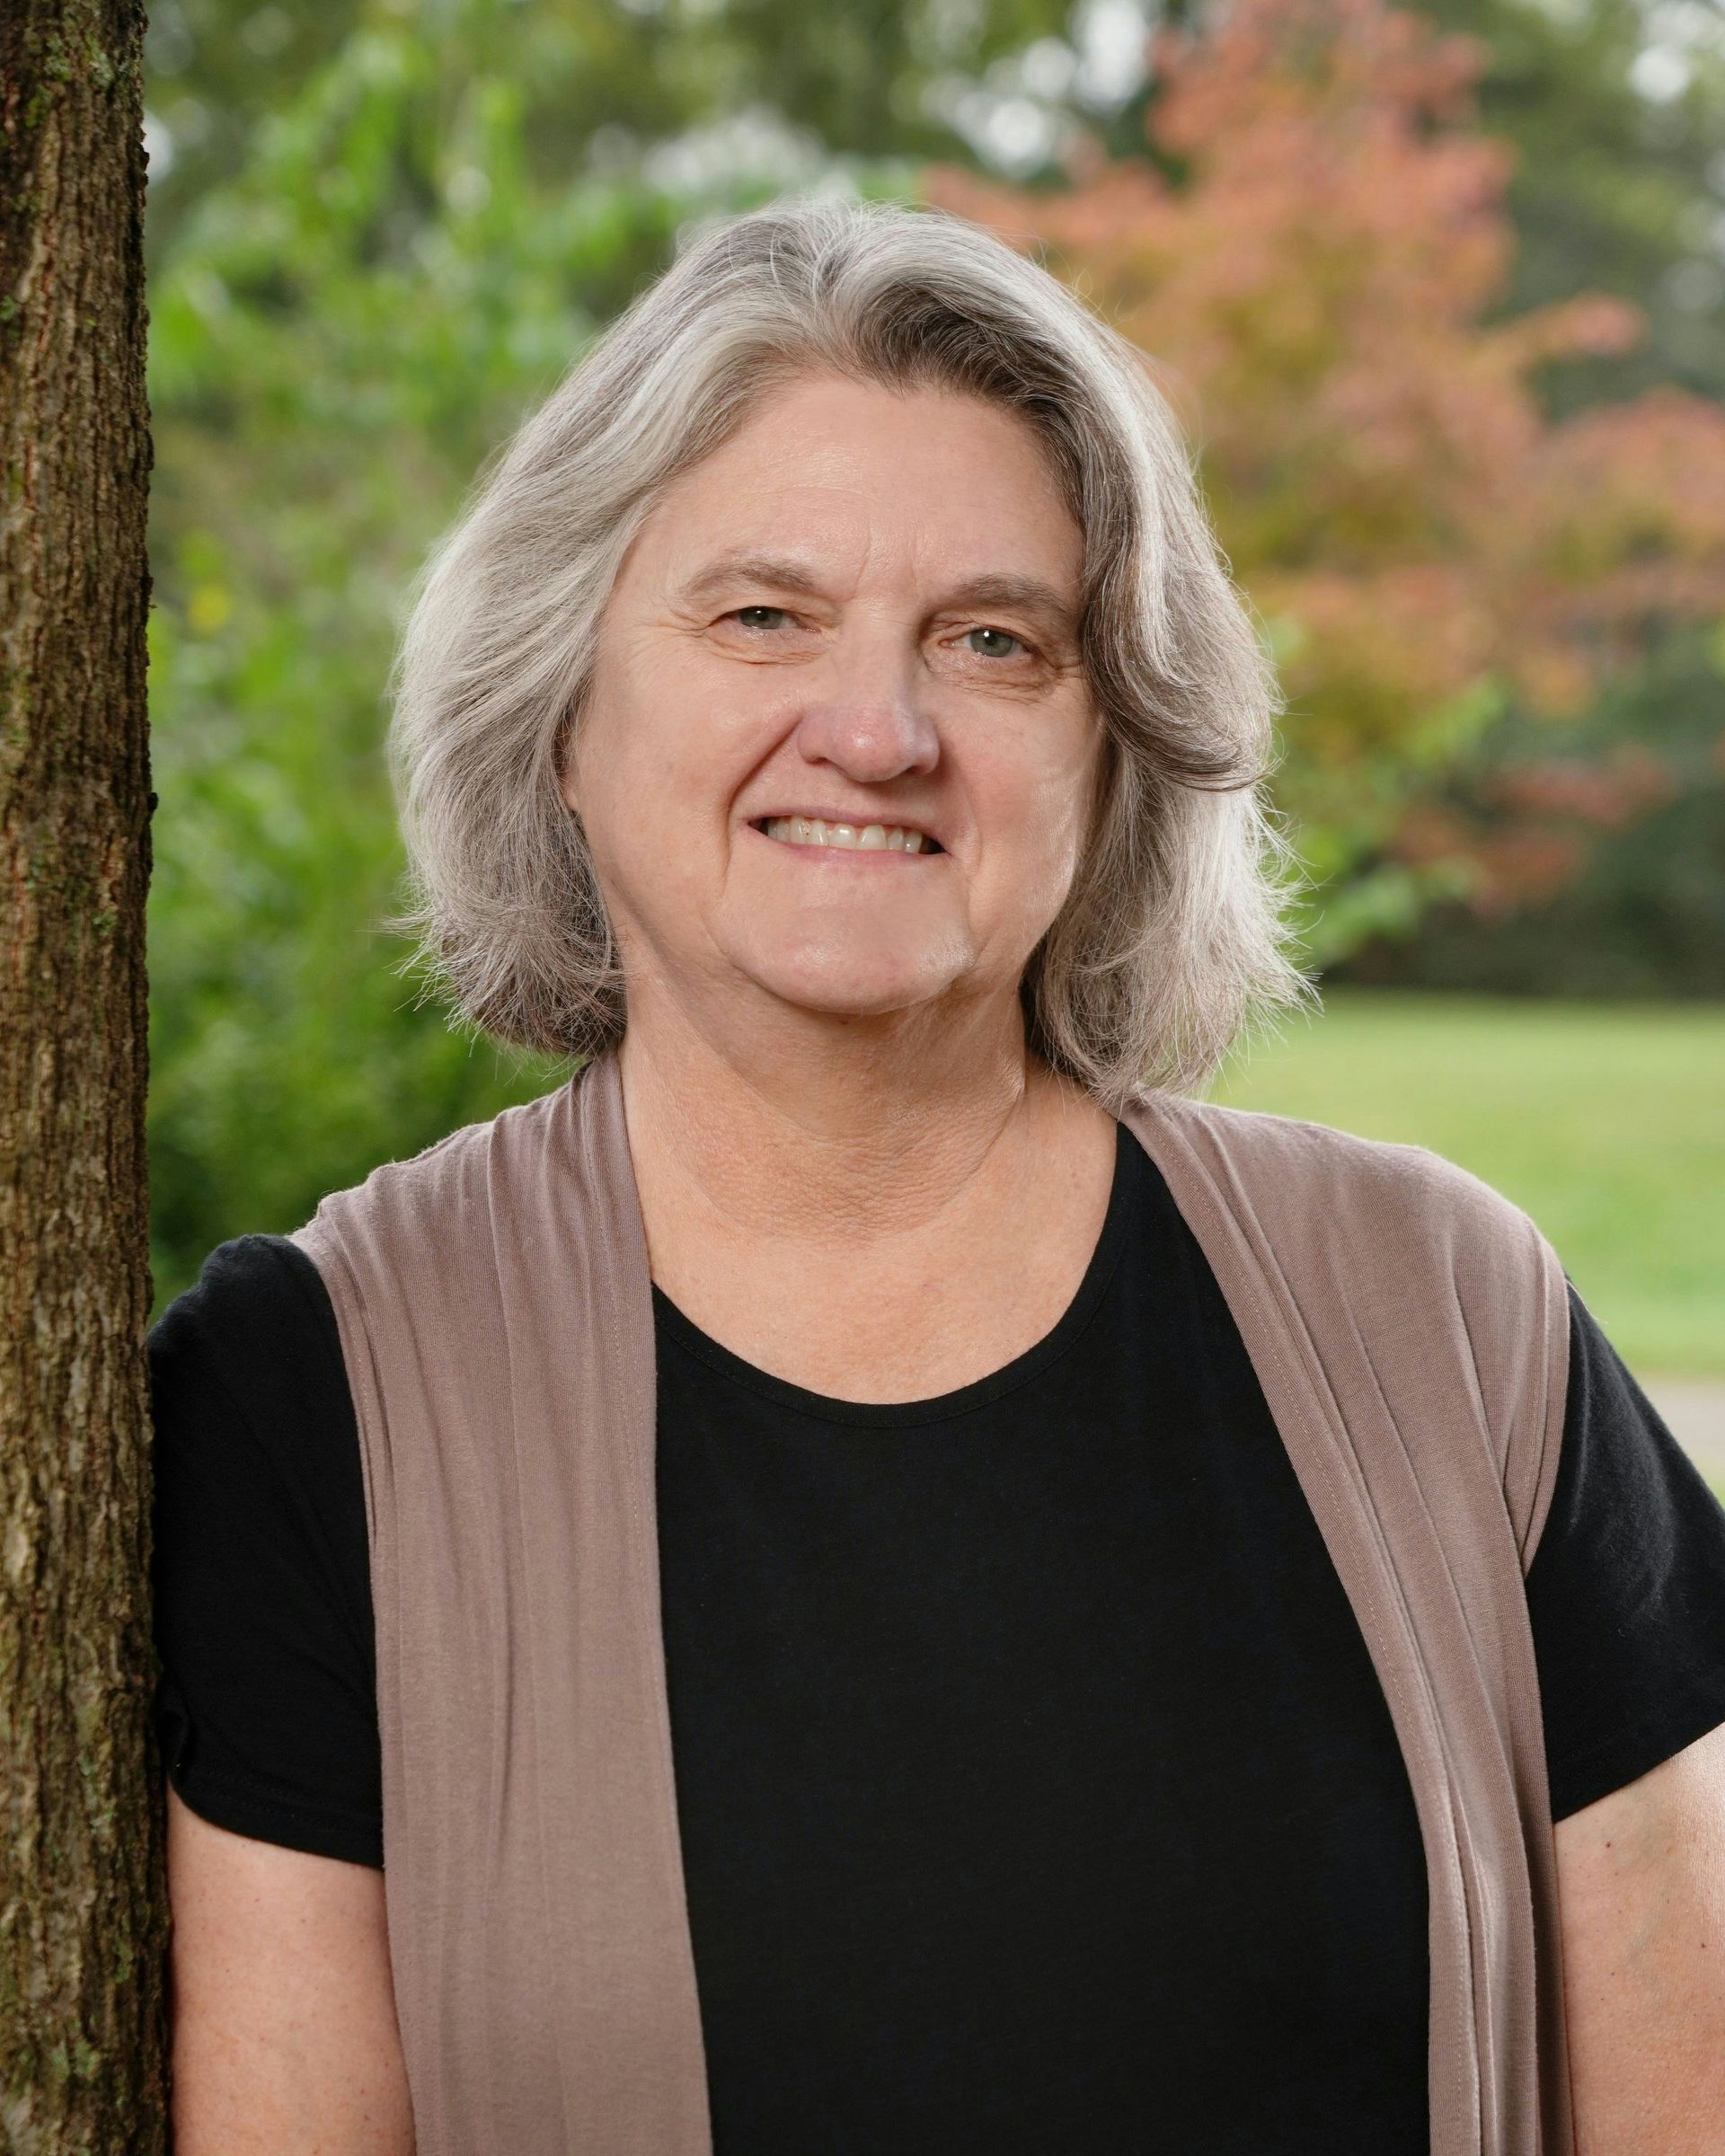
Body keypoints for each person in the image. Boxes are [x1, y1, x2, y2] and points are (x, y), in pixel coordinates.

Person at [149, 196, 1725, 2154]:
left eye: (995, 641)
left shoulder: (1447, 1320)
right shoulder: (311, 1405)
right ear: (559, 708)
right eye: (762, 616)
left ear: (1112, 743)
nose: (879, 732)